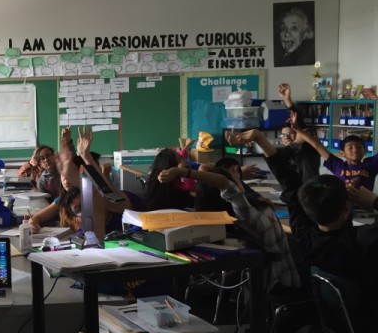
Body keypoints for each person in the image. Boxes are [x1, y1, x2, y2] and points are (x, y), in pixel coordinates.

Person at [232, 129, 378, 303]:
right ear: (347, 208)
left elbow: (289, 183)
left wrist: (260, 138)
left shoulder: (303, 235)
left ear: (307, 209)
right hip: (364, 313)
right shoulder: (363, 240)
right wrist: (374, 201)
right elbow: (289, 183)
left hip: (325, 310)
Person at [158, 157, 300, 292]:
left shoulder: (218, 222)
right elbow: (225, 183)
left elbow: (207, 170)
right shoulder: (247, 213)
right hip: (277, 279)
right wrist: (181, 171)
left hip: (252, 282)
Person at [291, 112, 378, 191]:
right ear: (342, 153)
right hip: (342, 202)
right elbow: (317, 145)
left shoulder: (370, 164)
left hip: (365, 203)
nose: (355, 150)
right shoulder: (337, 165)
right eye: (350, 148)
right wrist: (298, 130)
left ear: (365, 151)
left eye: (359, 147)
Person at [275, 83, 322, 192]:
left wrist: (287, 100)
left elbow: (300, 124)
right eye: (284, 135)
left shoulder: (307, 147)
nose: (287, 138)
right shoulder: (287, 151)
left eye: (290, 134)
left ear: (300, 135)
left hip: (311, 190)